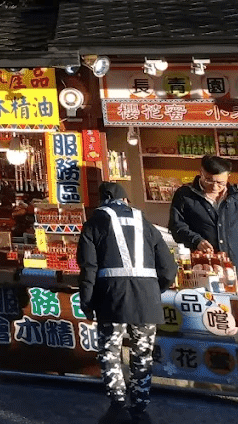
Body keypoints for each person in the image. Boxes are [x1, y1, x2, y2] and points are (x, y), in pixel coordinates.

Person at [167, 154, 238, 391]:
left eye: (220, 182)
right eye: (210, 181)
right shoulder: (185, 196)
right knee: (210, 323)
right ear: (201, 173)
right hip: (205, 273)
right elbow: (176, 227)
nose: (215, 187)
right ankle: (215, 371)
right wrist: (195, 240)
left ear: (228, 178)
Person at [78, 182, 177, 424]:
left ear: (105, 199)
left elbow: (88, 267)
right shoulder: (144, 222)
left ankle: (118, 406)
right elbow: (169, 268)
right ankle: (140, 409)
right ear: (124, 200)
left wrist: (87, 300)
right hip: (147, 299)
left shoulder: (94, 222)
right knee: (142, 354)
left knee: (110, 351)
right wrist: (155, 289)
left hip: (111, 299)